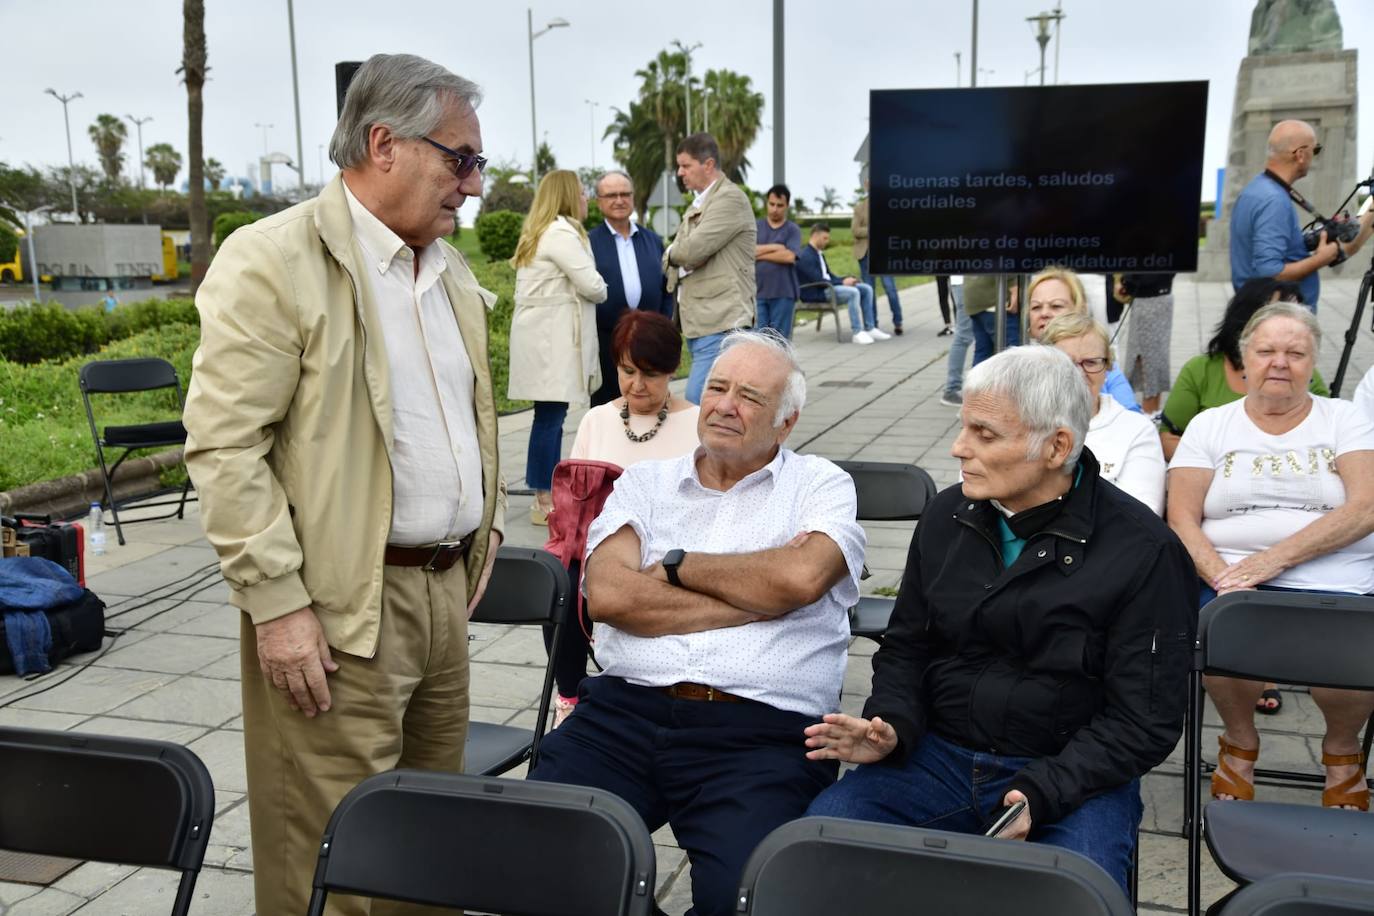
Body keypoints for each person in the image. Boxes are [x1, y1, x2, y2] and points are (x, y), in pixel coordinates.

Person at [183, 53, 506, 915]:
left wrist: (488, 529)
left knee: (428, 852)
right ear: (383, 142)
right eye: (461, 159)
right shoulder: (275, 261)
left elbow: (469, 421)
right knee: (336, 860)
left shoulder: (452, 275)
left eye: (478, 164)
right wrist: (277, 606)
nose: (473, 185)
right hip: (334, 613)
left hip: (441, 601)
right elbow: (224, 448)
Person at [803, 345, 1196, 894]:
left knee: (1076, 898)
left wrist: (1046, 792)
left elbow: (1143, 720)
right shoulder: (948, 515)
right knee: (812, 859)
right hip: (933, 759)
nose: (958, 447)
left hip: (1070, 775)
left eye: (985, 434)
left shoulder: (1144, 552)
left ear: (1057, 445)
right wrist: (891, 724)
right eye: (965, 426)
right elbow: (906, 646)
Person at [528, 329, 866, 916]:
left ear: (786, 424)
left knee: (746, 897)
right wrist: (754, 599)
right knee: (541, 857)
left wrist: (676, 566)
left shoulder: (821, 484)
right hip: (622, 715)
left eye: (751, 397)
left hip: (759, 732)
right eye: (716, 388)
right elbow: (607, 595)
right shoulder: (645, 484)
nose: (725, 406)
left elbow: (799, 580)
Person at [1167, 302, 1374, 810]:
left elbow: (1366, 505)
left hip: (1339, 581)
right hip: (1232, 580)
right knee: (1222, 630)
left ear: (1313, 363)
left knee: (1354, 646)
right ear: (1244, 361)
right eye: (1266, 351)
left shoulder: (1345, 419)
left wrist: (1271, 562)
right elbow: (1182, 519)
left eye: (1295, 352)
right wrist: (1222, 577)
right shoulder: (1210, 426)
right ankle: (1239, 741)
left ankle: (1342, 749)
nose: (1280, 362)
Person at [547, 310, 701, 725]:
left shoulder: (697, 425)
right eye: (627, 370)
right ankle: (571, 698)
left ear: (672, 371)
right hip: (604, 554)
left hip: (670, 556)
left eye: (650, 374)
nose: (637, 385)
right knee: (559, 579)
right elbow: (575, 506)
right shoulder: (597, 420)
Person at [508, 169, 609, 525]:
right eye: (581, 193)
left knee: (548, 417)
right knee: (550, 419)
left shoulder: (542, 232)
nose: (586, 199)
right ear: (567, 197)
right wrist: (598, 285)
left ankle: (543, 493)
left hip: (543, 342)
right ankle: (543, 498)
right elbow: (594, 286)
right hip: (551, 345)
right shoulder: (561, 234)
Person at [1159, 278, 1329, 462]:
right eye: (1277, 312)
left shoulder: (1306, 377)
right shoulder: (1201, 370)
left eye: (1299, 312)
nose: (1290, 320)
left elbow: (1328, 439)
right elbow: (1168, 438)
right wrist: (1222, 467)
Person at [1229, 119, 1373, 310]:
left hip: (1261, 311)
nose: (1315, 156)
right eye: (1316, 150)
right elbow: (1270, 273)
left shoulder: (1256, 189)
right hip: (1280, 321)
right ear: (1301, 155)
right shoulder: (1274, 200)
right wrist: (1321, 259)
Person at [662, 132, 757, 404]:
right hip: (702, 320)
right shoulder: (701, 203)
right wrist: (677, 256)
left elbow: (691, 250)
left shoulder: (729, 200)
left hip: (722, 320)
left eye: (685, 165)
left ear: (708, 164)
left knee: (699, 400)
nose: (679, 172)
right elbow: (681, 253)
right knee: (712, 402)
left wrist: (675, 254)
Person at [1041, 313, 1166, 514]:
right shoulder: (1020, 422)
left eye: (1090, 363)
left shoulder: (1136, 430)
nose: (1079, 373)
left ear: (1107, 367)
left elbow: (1143, 515)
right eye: (1067, 364)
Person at [588, 170, 669, 407]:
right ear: (599, 201)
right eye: (611, 195)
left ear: (633, 198)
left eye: (625, 194)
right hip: (606, 341)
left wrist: (663, 325)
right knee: (608, 407)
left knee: (649, 405)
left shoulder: (652, 240)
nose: (619, 200)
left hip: (648, 339)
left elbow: (667, 289)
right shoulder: (588, 242)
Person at [1024, 266, 1141, 412]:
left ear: (1081, 310)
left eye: (1056, 306)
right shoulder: (1015, 368)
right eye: (1036, 307)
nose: (1045, 313)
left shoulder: (1104, 367)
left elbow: (1132, 420)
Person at [797, 222, 889, 345]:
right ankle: (857, 332)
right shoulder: (805, 256)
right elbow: (818, 280)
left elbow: (829, 276)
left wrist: (846, 278)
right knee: (853, 292)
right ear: (815, 236)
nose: (827, 241)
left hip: (826, 287)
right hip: (816, 293)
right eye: (825, 238)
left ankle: (870, 328)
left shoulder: (818, 254)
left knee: (866, 289)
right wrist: (842, 282)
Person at [853, 167, 903, 335]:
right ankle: (872, 324)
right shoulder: (859, 208)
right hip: (865, 254)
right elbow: (855, 230)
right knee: (869, 290)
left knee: (890, 288)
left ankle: (898, 320)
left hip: (884, 254)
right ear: (866, 185)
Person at [1117, 272, 1176, 415]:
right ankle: (1153, 412)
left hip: (1149, 300)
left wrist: (1125, 281)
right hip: (1159, 298)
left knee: (1147, 361)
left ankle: (1149, 414)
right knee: (1153, 360)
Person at [754, 183, 802, 337]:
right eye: (772, 204)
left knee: (779, 341)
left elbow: (789, 257)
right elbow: (748, 252)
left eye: (780, 205)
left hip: (783, 293)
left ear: (787, 205)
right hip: (757, 292)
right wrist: (777, 247)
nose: (775, 209)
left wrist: (759, 253)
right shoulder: (756, 227)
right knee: (759, 340)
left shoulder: (792, 229)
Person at [963, 273, 1019, 365]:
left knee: (983, 352)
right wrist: (1013, 287)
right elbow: (1005, 260)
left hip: (975, 296)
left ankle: (978, 379)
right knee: (1013, 353)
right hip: (994, 297)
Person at [939, 275, 973, 406]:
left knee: (976, 336)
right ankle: (952, 388)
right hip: (965, 281)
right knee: (964, 336)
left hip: (968, 281)